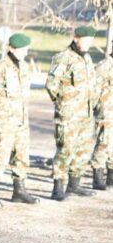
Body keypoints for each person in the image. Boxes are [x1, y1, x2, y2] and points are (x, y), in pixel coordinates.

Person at [0, 33, 38, 208]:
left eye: (26, 49)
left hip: (21, 120)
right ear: (12, 49)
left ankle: (19, 191)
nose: (25, 52)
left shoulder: (24, 67)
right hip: (4, 122)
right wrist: (1, 110)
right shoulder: (0, 67)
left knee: (22, 156)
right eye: (22, 49)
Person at [46, 25, 97, 201]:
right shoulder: (63, 58)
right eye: (86, 40)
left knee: (83, 150)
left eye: (91, 41)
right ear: (76, 38)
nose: (88, 44)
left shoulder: (87, 58)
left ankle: (74, 186)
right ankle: (57, 188)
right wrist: (64, 103)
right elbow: (52, 85)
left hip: (86, 114)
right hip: (69, 115)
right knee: (65, 150)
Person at [90, 42, 113, 190]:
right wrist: (98, 105)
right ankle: (98, 176)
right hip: (106, 110)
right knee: (104, 141)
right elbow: (93, 88)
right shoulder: (105, 65)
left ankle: (111, 176)